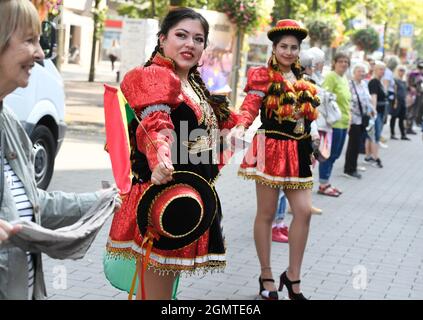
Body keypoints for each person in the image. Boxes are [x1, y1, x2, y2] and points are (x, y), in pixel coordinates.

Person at [105, 7, 238, 300]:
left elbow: (221, 130)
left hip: (186, 201)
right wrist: (161, 160)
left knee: (160, 293)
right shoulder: (153, 77)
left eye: (198, 39)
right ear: (162, 39)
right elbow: (155, 128)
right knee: (157, 296)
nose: (190, 44)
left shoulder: (196, 87)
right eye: (181, 35)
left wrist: (256, 99)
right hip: (160, 200)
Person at [0, 0, 121, 300]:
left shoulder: (10, 121)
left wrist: (101, 200)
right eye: (29, 40)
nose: (41, 55)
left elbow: (32, 203)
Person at [231, 19, 320, 300]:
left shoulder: (304, 80)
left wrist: (315, 138)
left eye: (294, 47)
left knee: (303, 211)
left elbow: (309, 117)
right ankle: (266, 275)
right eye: (284, 46)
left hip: (299, 151)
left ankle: (293, 276)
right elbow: (249, 107)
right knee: (267, 214)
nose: (289, 52)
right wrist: (241, 125)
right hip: (269, 147)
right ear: (274, 47)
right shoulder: (262, 75)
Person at [318, 52, 352, 197]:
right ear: (334, 62)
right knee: (328, 154)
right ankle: (323, 184)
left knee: (336, 154)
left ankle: (327, 182)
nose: (343, 64)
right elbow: (323, 97)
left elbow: (346, 102)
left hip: (344, 122)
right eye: (341, 61)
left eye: (346, 61)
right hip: (333, 123)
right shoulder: (331, 77)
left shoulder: (344, 78)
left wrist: (349, 119)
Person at [343, 62, 374, 179]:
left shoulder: (364, 84)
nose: (362, 73)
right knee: (353, 145)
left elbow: (367, 99)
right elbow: (348, 101)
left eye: (363, 71)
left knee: (357, 144)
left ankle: (353, 167)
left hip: (363, 119)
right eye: (359, 71)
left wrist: (372, 109)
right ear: (354, 72)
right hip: (354, 119)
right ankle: (349, 169)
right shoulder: (350, 84)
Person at [366, 61, 387, 168]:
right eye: (380, 69)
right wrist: (374, 111)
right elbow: (373, 97)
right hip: (376, 112)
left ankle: (369, 156)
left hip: (380, 112)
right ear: (375, 70)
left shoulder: (379, 82)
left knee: (372, 135)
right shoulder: (374, 82)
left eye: (384, 69)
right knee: (375, 135)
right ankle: (375, 157)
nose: (382, 71)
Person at [390, 65, 410, 140]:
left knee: (402, 118)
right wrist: (395, 101)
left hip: (403, 101)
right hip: (397, 101)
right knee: (394, 117)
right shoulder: (395, 80)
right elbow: (394, 91)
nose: (402, 72)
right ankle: (392, 134)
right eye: (400, 70)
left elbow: (405, 92)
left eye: (403, 70)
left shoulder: (404, 81)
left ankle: (403, 134)